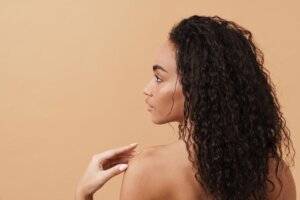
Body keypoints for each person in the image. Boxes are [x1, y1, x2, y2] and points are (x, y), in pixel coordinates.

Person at [120, 16, 296, 200]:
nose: (147, 89)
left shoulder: (147, 170)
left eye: (159, 78)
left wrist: (86, 193)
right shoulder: (275, 174)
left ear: (196, 87)